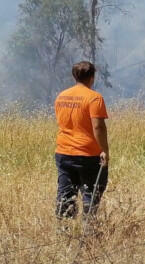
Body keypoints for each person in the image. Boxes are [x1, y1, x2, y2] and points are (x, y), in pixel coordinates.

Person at [53, 61, 109, 225]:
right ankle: (88, 229)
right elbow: (98, 126)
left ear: (74, 76)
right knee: (92, 193)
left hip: (63, 152)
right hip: (88, 154)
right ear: (92, 77)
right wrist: (105, 150)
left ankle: (65, 229)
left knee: (65, 194)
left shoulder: (61, 96)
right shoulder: (94, 98)